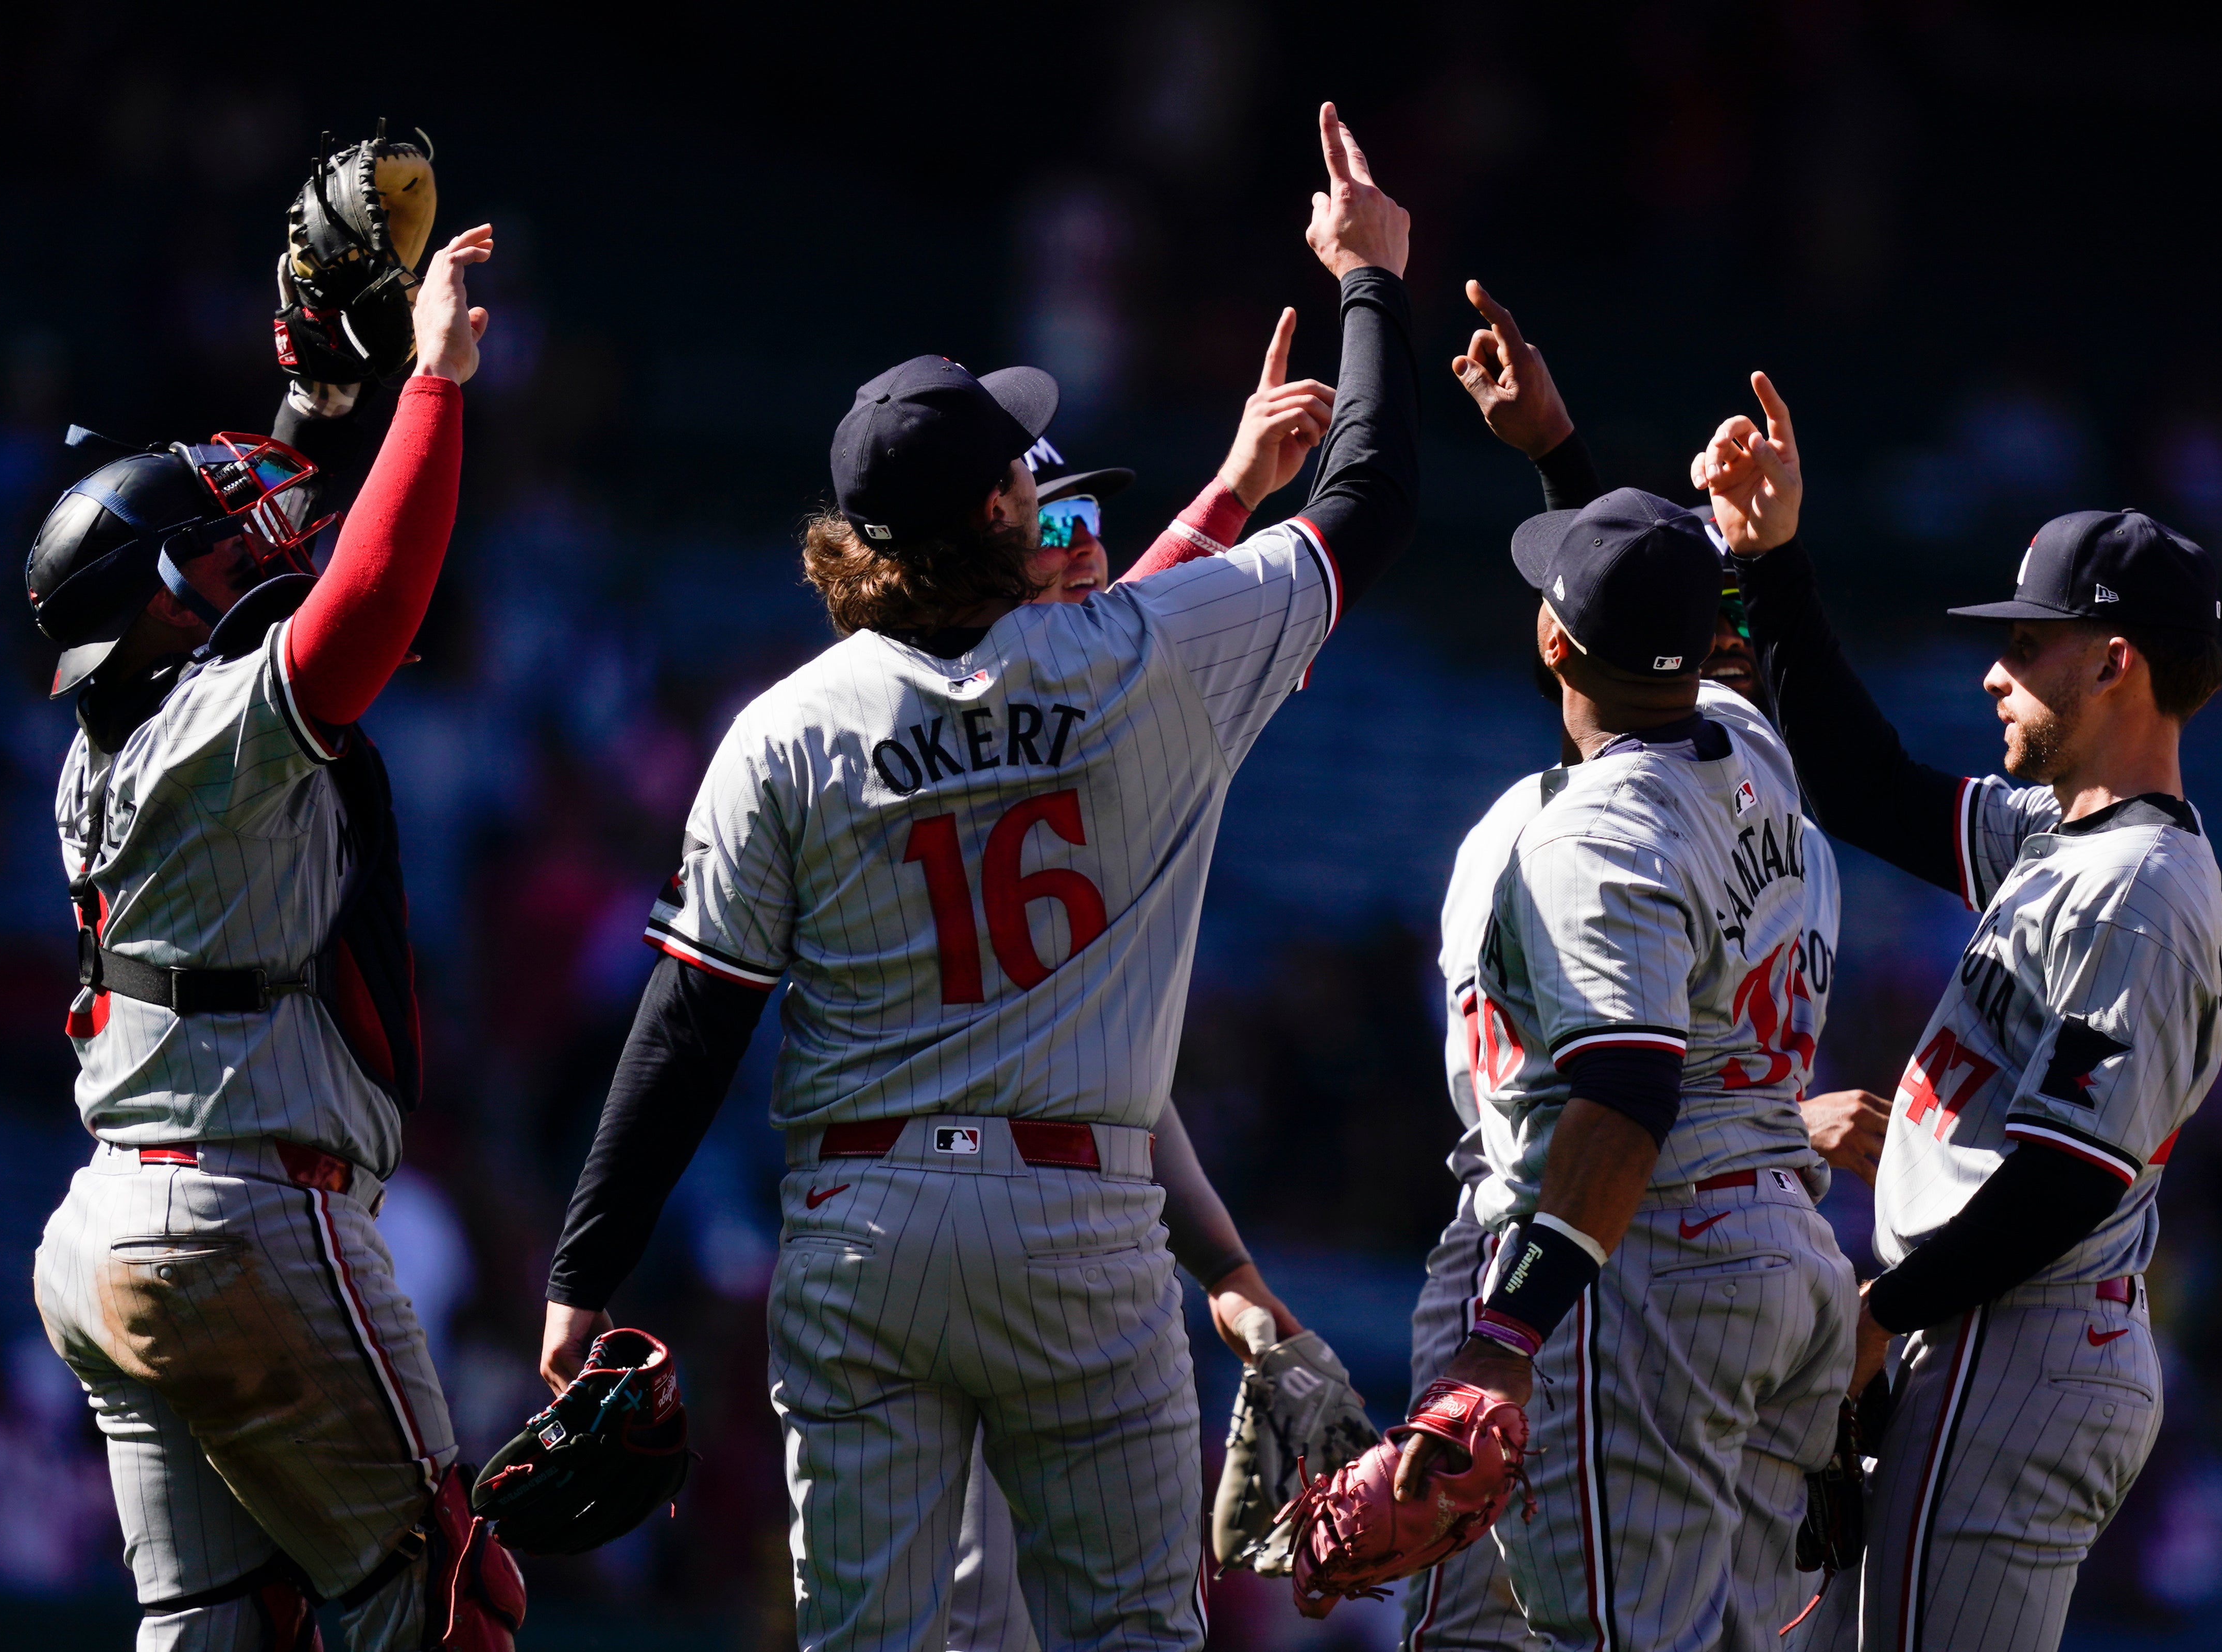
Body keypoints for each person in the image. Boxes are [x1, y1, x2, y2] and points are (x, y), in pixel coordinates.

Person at [537, 103, 1416, 1652]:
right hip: (1073, 1212)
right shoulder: (1133, 657)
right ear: (1002, 513)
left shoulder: (785, 726)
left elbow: (691, 1022)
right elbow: (1365, 510)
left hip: (861, 1218)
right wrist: (1367, 286)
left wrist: (581, 1274)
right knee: (1131, 1637)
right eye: (1023, 469)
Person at [28, 226, 523, 1650]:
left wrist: (318, 394)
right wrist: (431, 387)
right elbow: (358, 607)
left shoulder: (116, 728)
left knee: (223, 1630)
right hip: (241, 1214)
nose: (252, 535)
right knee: (444, 1601)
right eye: (215, 540)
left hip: (120, 1219)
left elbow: (265, 573)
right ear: (158, 608)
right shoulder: (199, 731)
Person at [1382, 287, 1886, 1652]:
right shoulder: (1752, 753)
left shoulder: (1597, 830)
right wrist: (1558, 454)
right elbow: (1657, 614)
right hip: (1774, 1246)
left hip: (1635, 1256)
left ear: (1552, 644)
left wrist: (1505, 1333)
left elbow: (1622, 1100)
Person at [1694, 373, 2222, 1651]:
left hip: (2012, 1343)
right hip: (1975, 1330)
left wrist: (1878, 1317)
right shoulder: (2069, 833)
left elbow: (2063, 1179)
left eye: (2026, 644)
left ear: (2114, 662)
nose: (1995, 671)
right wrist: (1767, 564)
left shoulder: (2139, 888)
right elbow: (1866, 788)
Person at [943, 337, 1354, 1652]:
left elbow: (1110, 1076)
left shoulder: (945, 695)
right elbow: (1101, 661)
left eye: (1089, 525)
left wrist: (1227, 1271)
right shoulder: (926, 708)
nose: (1078, 548)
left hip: (1027, 1207)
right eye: (1042, 522)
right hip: (933, 1224)